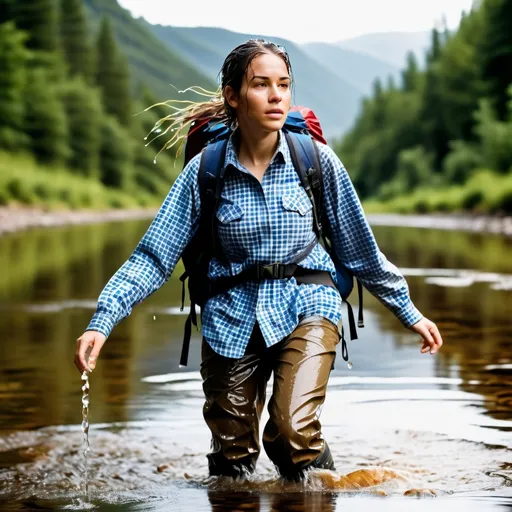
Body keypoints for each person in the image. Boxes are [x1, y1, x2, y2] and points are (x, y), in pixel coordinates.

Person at [74, 39, 443, 481]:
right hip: (230, 315)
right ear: (233, 95)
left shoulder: (316, 162)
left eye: (283, 85)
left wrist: (408, 311)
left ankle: (316, 473)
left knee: (291, 434)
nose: (275, 96)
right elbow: (154, 256)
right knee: (232, 462)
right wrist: (103, 319)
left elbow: (359, 248)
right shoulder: (205, 171)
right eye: (261, 84)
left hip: (308, 304)